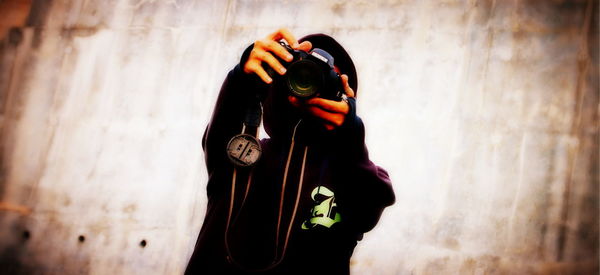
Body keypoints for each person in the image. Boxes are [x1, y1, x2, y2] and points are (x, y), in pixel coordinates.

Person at [185, 28, 395, 275]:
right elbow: (222, 130)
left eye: (325, 80)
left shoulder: (351, 170)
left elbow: (370, 207)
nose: (309, 84)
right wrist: (242, 78)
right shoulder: (245, 152)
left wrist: (350, 136)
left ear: (345, 97)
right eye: (301, 71)